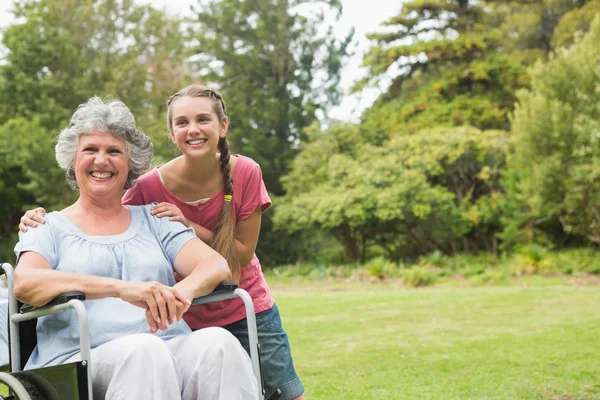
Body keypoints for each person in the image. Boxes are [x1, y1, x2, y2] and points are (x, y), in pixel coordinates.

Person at [20, 85, 305, 400]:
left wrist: (183, 290)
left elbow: (216, 265)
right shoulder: (46, 225)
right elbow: (27, 283)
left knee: (219, 344)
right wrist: (119, 288)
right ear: (72, 160)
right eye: (90, 150)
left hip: (165, 344)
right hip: (82, 356)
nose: (102, 161)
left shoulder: (154, 218)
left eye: (114, 151)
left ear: (131, 165)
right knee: (145, 351)